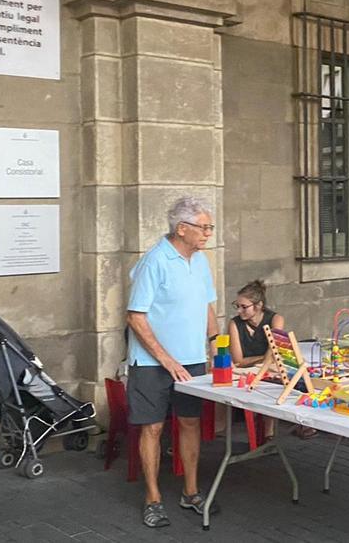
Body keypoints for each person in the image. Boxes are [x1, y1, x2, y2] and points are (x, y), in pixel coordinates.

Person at [125, 196, 220, 528]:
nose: (209, 233)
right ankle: (153, 498)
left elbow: (208, 305)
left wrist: (217, 349)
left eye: (210, 226)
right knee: (153, 427)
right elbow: (135, 317)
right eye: (204, 227)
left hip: (192, 360)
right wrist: (166, 360)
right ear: (182, 229)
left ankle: (190, 491)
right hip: (152, 363)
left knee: (190, 423)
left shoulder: (201, 261)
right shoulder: (155, 261)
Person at [228, 280, 316, 440]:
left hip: (267, 369)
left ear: (259, 305)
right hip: (252, 370)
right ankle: (269, 434)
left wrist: (265, 358)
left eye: (244, 306)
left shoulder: (275, 319)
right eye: (237, 306)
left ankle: (292, 425)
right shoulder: (235, 324)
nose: (239, 311)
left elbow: (272, 351)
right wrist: (266, 358)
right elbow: (239, 360)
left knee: (293, 380)